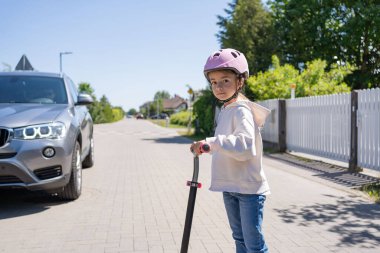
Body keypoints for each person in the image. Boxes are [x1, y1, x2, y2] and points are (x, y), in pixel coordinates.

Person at [191, 48, 271, 253]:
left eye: (225, 80)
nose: (218, 87)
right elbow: (223, 143)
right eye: (214, 82)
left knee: (254, 245)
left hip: (249, 191)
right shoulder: (226, 110)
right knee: (240, 239)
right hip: (230, 187)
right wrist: (205, 146)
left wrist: (212, 143)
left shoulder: (242, 110)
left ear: (240, 81)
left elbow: (244, 146)